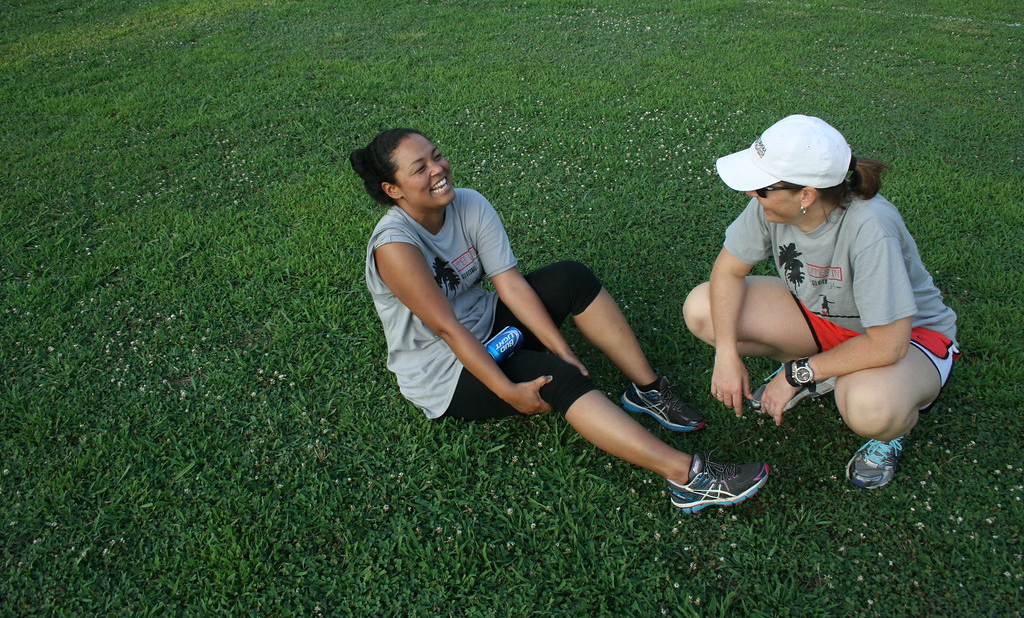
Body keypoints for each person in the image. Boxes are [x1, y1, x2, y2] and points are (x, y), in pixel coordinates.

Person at [351, 127, 769, 513]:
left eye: (437, 156)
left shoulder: (469, 202)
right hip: (447, 369)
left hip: (490, 323)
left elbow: (509, 284)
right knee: (557, 380)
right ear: (393, 189)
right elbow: (448, 328)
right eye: (420, 168)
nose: (438, 169)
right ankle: (689, 477)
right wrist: (510, 391)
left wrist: (561, 346)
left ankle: (649, 390)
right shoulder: (396, 246)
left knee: (570, 278)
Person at [683, 114, 959, 489]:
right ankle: (824, 373)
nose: (752, 194)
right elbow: (726, 273)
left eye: (762, 187)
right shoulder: (772, 206)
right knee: (702, 309)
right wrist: (726, 354)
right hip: (825, 319)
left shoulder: (870, 228)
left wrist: (796, 374)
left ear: (806, 195)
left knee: (870, 407)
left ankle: (887, 427)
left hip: (907, 339)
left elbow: (888, 343)